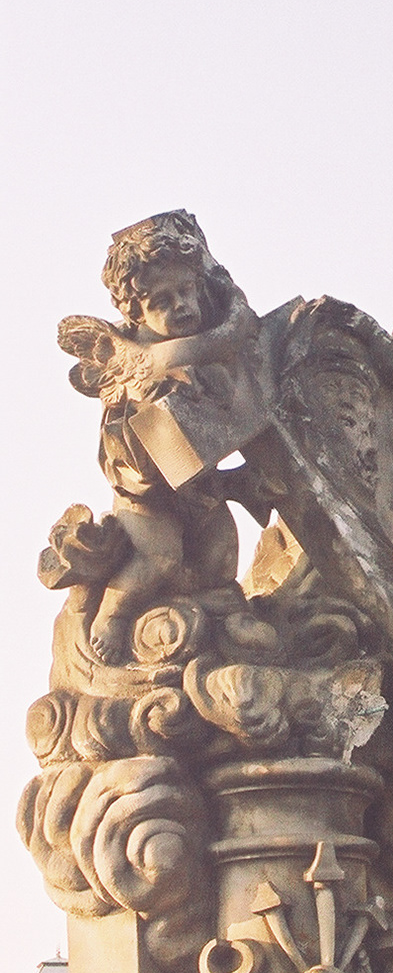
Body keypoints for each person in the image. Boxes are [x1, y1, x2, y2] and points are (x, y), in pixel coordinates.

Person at [58, 211, 253, 662]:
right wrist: (232, 304)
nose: (182, 305)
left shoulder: (192, 338)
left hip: (195, 484)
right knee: (159, 558)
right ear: (134, 310)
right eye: (162, 301)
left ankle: (207, 614)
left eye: (186, 291)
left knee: (221, 557)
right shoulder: (148, 360)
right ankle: (114, 613)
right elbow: (228, 338)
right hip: (146, 493)